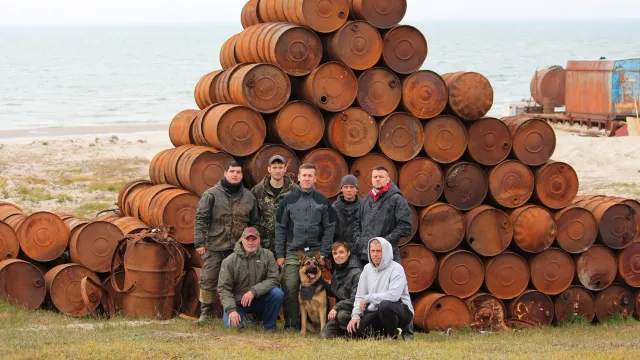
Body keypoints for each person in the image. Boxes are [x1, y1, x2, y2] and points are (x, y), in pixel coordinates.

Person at [193, 161, 259, 324]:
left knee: (244, 280)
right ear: (225, 173)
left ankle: (245, 313)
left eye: (238, 172)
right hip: (216, 245)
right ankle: (206, 313)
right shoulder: (211, 194)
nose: (235, 174)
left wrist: (253, 243)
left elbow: (255, 223)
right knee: (208, 278)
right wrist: (199, 243)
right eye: (232, 171)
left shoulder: (249, 196)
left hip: (239, 247)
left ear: (242, 175)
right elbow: (201, 219)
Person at [275, 163, 336, 330]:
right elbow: (280, 228)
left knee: (309, 287)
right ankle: (291, 324)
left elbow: (330, 228)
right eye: (304, 175)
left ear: (315, 178)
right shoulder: (288, 200)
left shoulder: (323, 201)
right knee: (291, 286)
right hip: (294, 251)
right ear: (298, 177)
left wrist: (323, 253)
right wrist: (280, 254)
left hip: (314, 253)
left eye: (311, 175)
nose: (307, 178)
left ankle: (309, 325)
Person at [218, 227, 283, 332]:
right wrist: (231, 310)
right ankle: (243, 320)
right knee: (231, 327)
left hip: (260, 299)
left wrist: (253, 291)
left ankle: (269, 326)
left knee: (277, 293)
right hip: (238, 302)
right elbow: (224, 288)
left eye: (254, 239)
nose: (251, 242)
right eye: (248, 239)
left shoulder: (268, 255)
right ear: (242, 240)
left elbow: (274, 279)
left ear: (259, 240)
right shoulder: (229, 261)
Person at [347, 237, 414, 339]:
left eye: (378, 251)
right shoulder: (367, 269)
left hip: (401, 310)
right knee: (356, 330)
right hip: (377, 311)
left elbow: (393, 295)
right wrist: (355, 316)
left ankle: (392, 336)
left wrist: (369, 298)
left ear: (386, 252)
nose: (375, 254)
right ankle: (383, 334)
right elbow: (360, 295)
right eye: (372, 251)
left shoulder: (396, 268)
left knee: (385, 306)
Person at [352, 166, 412, 264]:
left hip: (387, 257)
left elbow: (405, 227)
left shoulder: (397, 199)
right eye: (375, 177)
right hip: (365, 256)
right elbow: (356, 224)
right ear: (371, 179)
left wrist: (383, 243)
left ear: (388, 179)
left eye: (381, 177)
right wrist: (359, 241)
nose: (378, 179)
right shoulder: (365, 201)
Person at [251, 155, 299, 255]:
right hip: (264, 246)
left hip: (288, 245)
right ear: (269, 169)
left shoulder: (295, 190)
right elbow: (253, 218)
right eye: (274, 167)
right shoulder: (258, 190)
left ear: (285, 169)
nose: (278, 171)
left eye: (280, 167)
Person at [321, 241, 362, 339]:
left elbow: (356, 299)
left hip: (357, 311)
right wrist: (319, 280)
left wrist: (336, 307)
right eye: (335, 253)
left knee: (341, 315)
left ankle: (356, 332)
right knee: (326, 335)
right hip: (342, 309)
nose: (338, 256)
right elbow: (334, 292)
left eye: (341, 252)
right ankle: (345, 331)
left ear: (348, 253)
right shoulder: (337, 271)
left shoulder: (357, 272)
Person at [332, 175, 361, 253]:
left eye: (352, 187)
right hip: (338, 251)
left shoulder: (363, 207)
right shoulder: (334, 208)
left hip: (358, 251)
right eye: (346, 187)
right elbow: (329, 232)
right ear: (341, 189)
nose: (349, 190)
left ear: (357, 189)